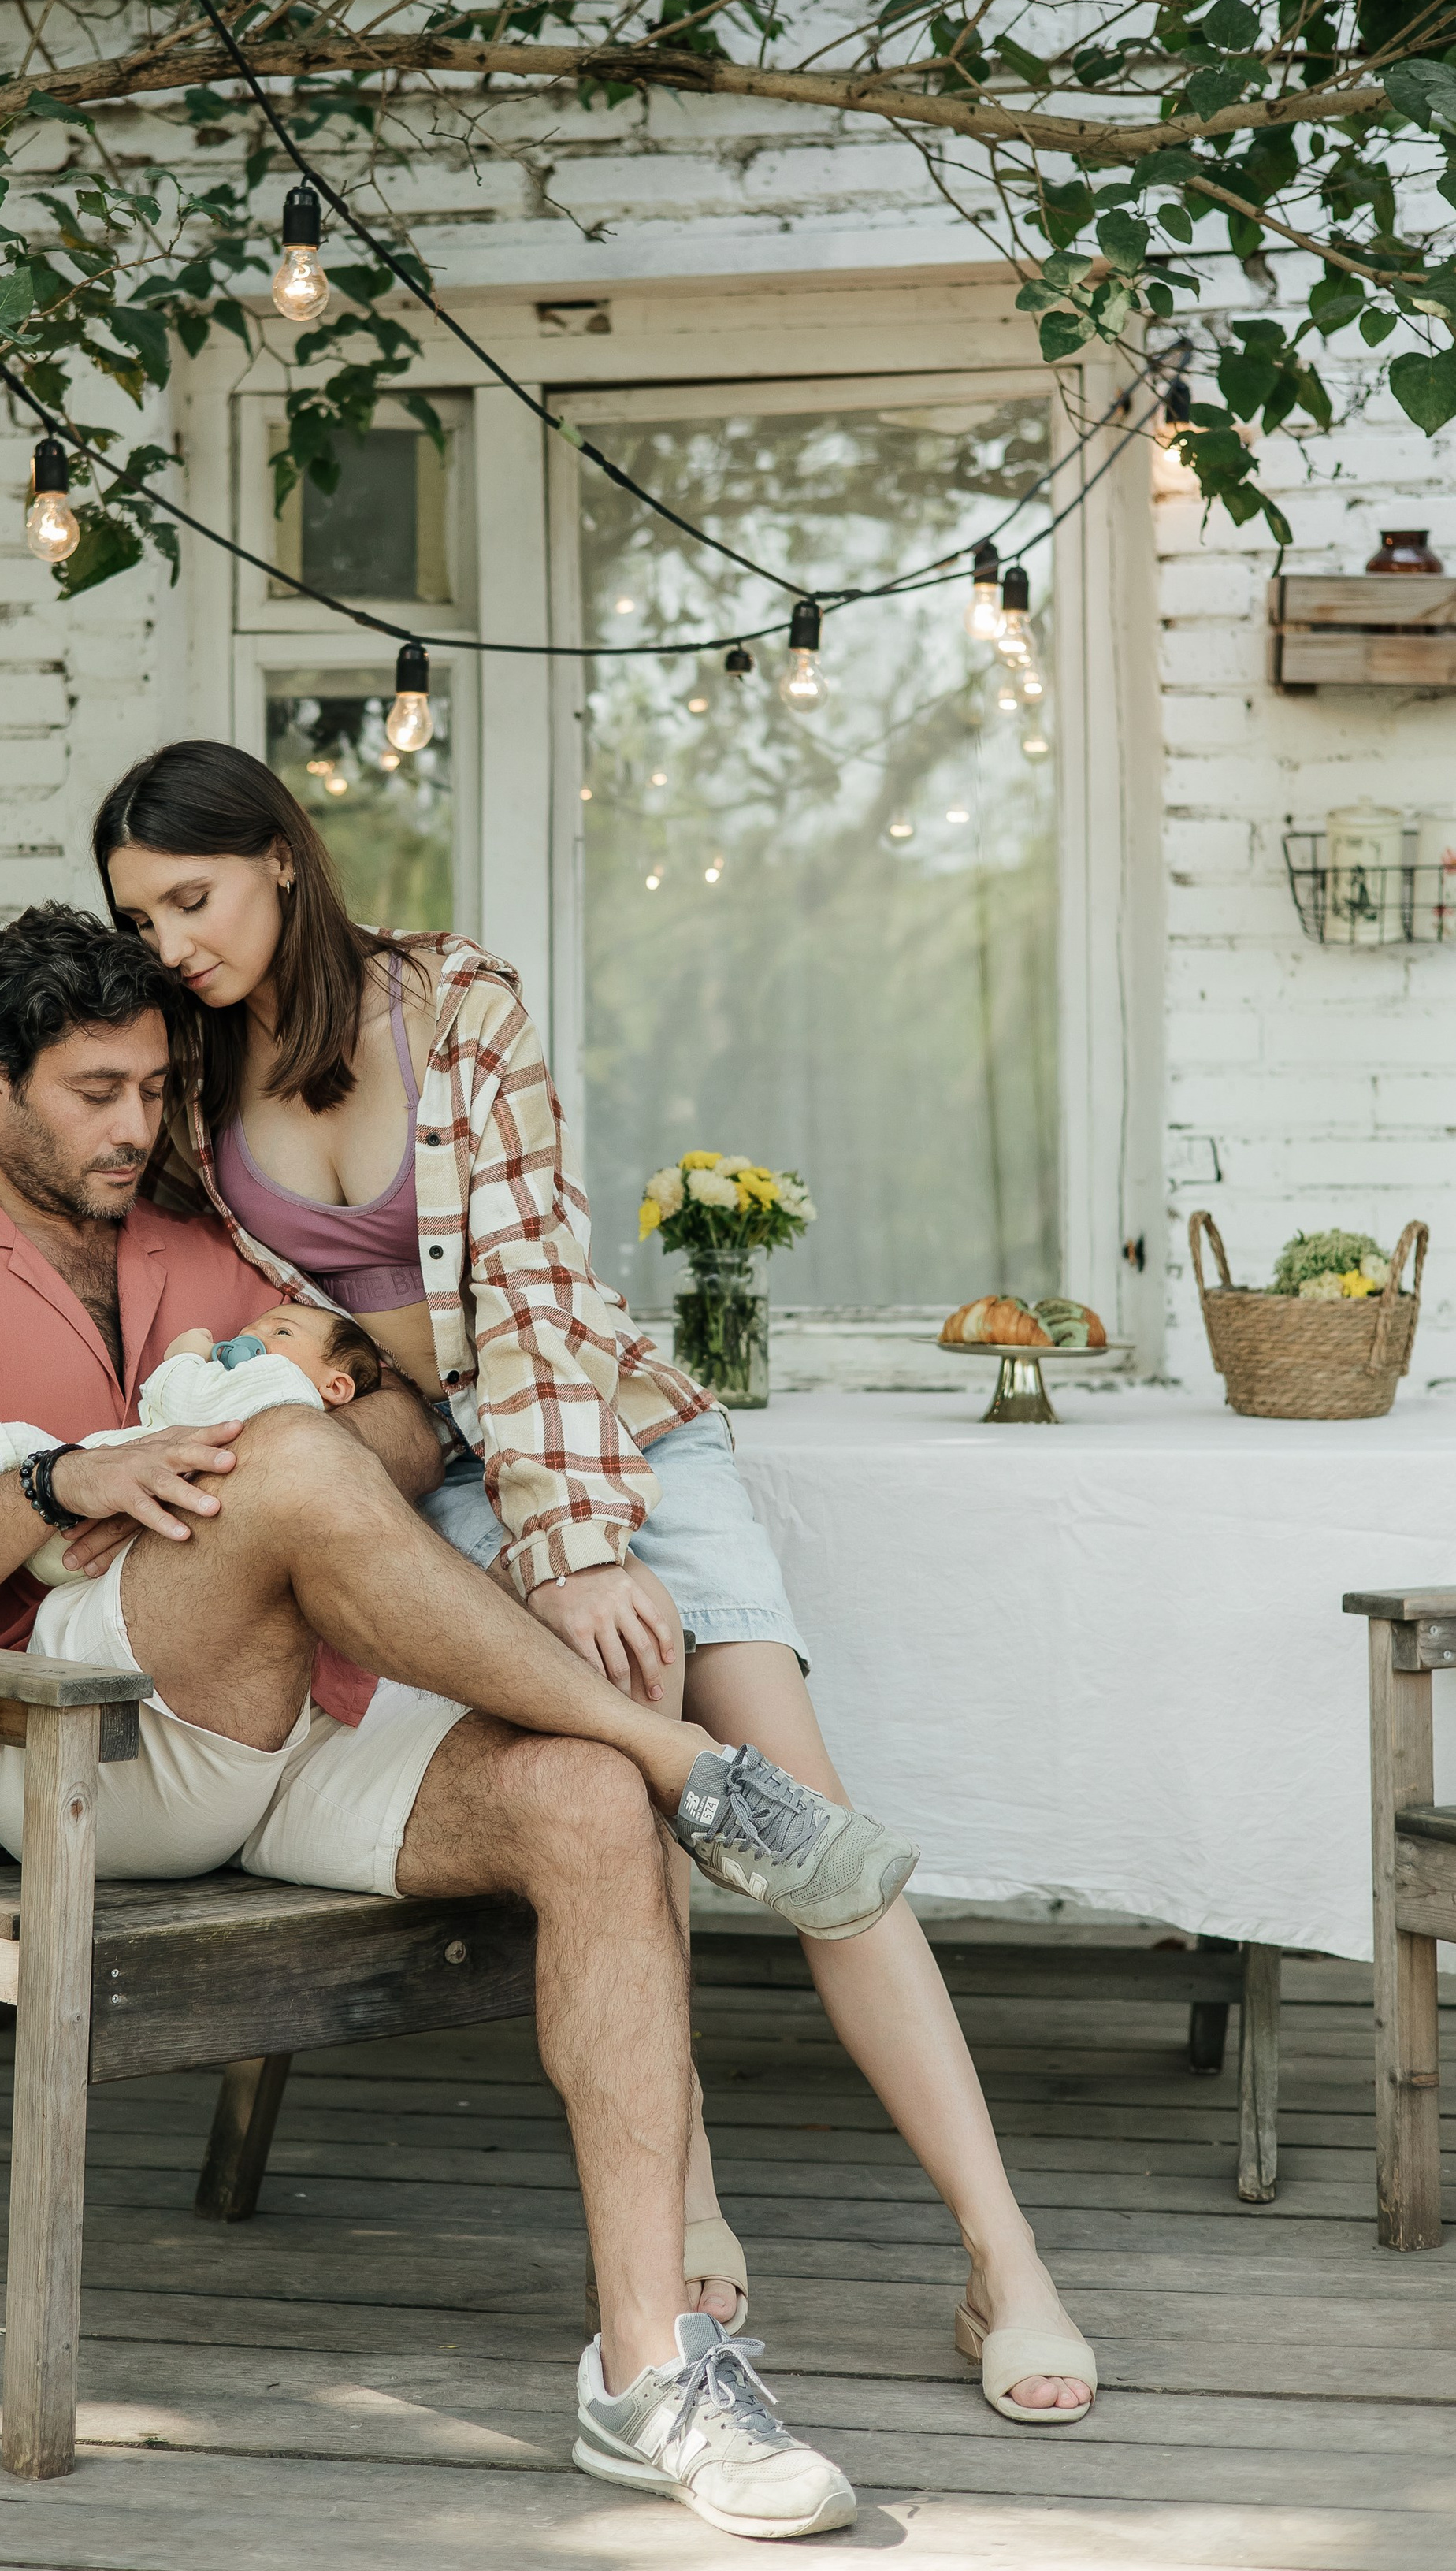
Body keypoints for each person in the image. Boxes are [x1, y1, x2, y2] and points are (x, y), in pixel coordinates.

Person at [0, 901, 921, 2534]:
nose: (135, 1128)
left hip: (291, 1727)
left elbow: (404, 1423)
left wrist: (313, 1394)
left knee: (576, 1803)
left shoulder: (190, 1237)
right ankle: (691, 1762)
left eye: (150, 1088)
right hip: (77, 1751)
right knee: (283, 1465)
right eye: (93, 1092)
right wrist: (63, 1478)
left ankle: (650, 2368)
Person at [85, 742, 1100, 2426]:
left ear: (279, 856)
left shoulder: (455, 1002)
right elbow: (112, 1214)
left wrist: (580, 1542)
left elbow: (540, 1290)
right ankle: (684, 2195)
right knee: (622, 1806)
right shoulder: (183, 1082)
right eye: (143, 915)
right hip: (423, 1489)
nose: (173, 940)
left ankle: (1005, 2255)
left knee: (796, 1813)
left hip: (607, 1445)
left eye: (191, 898)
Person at [0, 1301, 380, 1550]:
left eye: (281, 1330)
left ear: (335, 1386)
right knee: (26, 1453)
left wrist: (185, 1355)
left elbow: (176, 1403)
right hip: (114, 1517)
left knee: (19, 1442)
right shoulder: (279, 1394)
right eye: (256, 1327)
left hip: (108, 1530)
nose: (256, 1337)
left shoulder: (283, 1387)